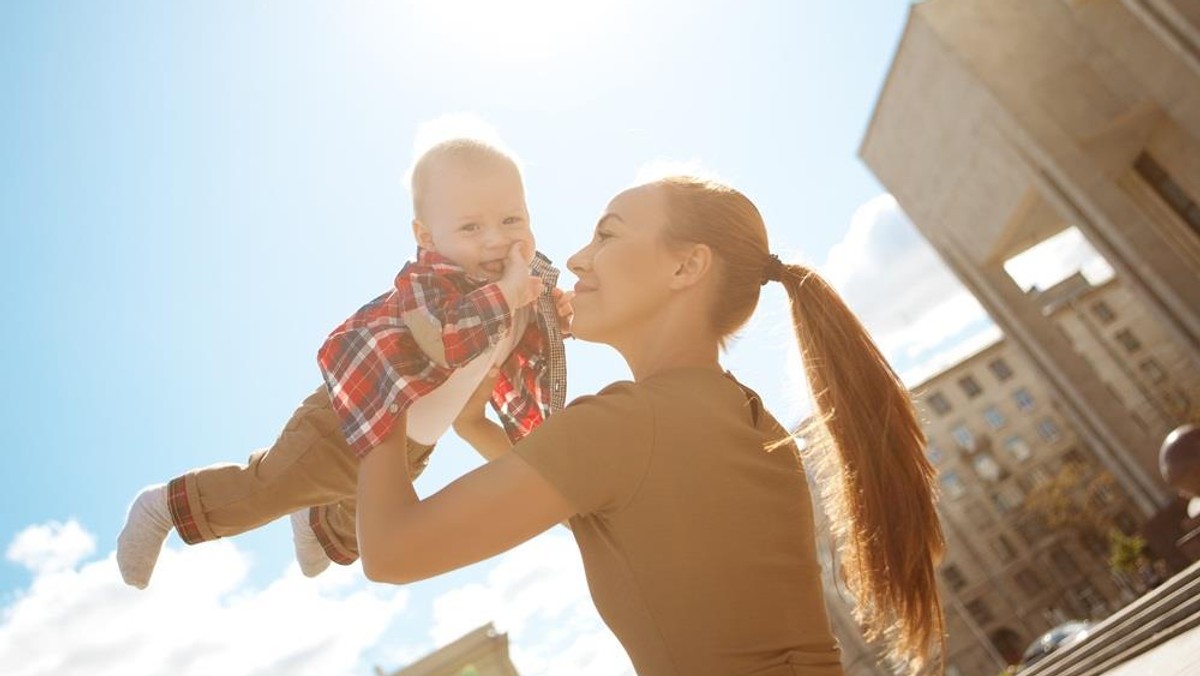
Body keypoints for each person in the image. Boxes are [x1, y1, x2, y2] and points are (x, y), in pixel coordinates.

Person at [351, 174, 946, 674]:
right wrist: (475, 424)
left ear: (687, 266)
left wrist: (381, 379)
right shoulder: (742, 413)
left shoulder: (625, 425)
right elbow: (627, 521)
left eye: (607, 234)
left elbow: (390, 552)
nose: (578, 258)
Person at [116, 129, 572, 589]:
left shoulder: (523, 281)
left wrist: (560, 313)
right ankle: (164, 506)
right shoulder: (430, 283)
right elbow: (445, 339)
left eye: (512, 219)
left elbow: (532, 328)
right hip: (346, 417)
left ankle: (316, 520)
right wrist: (508, 295)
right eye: (471, 227)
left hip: (411, 441)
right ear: (427, 237)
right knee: (265, 490)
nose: (496, 239)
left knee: (354, 532)